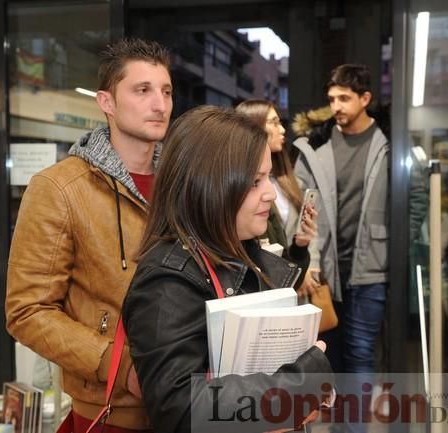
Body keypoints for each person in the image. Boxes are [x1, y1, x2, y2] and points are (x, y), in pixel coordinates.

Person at [123, 106, 334, 433]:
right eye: (254, 181)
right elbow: (180, 408)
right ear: (209, 186)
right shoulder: (168, 280)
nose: (269, 193)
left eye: (267, 177)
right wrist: (299, 383)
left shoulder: (240, 250)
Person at [5, 37, 173, 433]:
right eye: (143, 90)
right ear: (107, 103)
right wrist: (117, 364)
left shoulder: (183, 183)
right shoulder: (60, 188)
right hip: (110, 409)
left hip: (186, 397)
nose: (160, 104)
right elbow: (27, 310)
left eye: (166, 91)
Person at [293, 64, 389, 380]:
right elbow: (304, 210)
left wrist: (392, 240)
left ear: (365, 99)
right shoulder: (316, 145)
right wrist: (312, 261)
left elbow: (412, 201)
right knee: (329, 356)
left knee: (361, 354)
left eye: (344, 98)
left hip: (371, 267)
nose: (336, 106)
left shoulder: (388, 143)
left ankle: (355, 429)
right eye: (332, 98)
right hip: (326, 270)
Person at [235, 99, 319, 295]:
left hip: (289, 279)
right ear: (253, 126)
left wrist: (302, 248)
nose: (282, 130)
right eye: (273, 122)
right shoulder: (236, 187)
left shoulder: (288, 179)